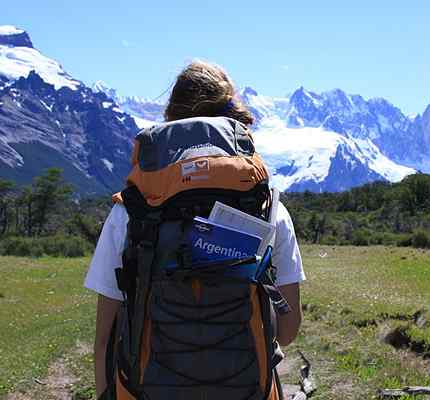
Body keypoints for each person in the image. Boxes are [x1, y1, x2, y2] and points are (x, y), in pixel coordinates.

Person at [84, 61, 305, 398]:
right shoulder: (267, 207)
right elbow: (287, 330)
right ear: (234, 118)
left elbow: (104, 342)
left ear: (171, 119)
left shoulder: (131, 209)